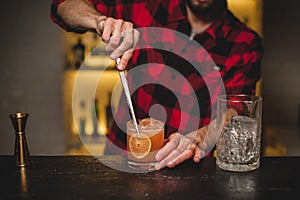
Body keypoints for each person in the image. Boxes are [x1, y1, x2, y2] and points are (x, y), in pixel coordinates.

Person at [50, 0, 263, 170]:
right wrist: (101, 22)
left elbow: (237, 108)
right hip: (123, 158)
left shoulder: (244, 41)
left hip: (187, 166)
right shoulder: (147, 6)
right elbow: (64, 6)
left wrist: (200, 138)